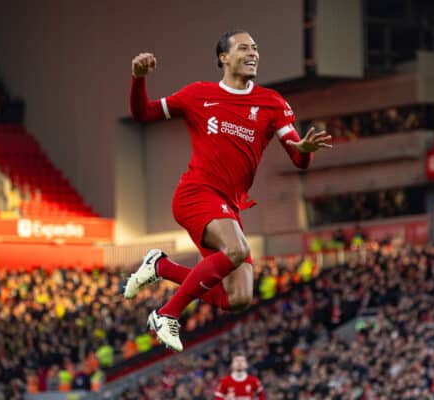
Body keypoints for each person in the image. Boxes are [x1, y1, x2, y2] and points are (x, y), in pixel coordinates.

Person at [124, 30, 332, 351]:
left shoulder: (272, 102)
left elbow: (299, 159)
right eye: (244, 48)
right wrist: (138, 79)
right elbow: (143, 114)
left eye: (256, 48)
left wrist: (304, 148)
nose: (253, 53)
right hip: (196, 194)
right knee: (235, 251)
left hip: (228, 208)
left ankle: (160, 266)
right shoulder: (198, 94)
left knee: (238, 298)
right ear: (224, 57)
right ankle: (167, 314)